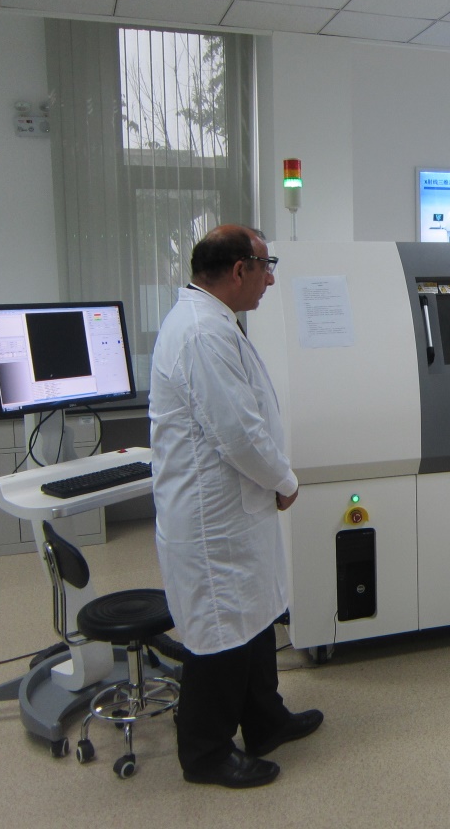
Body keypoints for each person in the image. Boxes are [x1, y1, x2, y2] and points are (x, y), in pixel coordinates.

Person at [151, 224, 322, 787]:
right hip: (213, 519)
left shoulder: (213, 322)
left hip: (235, 511)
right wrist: (284, 480)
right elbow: (238, 433)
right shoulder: (202, 333)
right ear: (239, 270)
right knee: (221, 632)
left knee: (254, 618)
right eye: (266, 267)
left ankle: (265, 720)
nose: (270, 280)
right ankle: (205, 752)